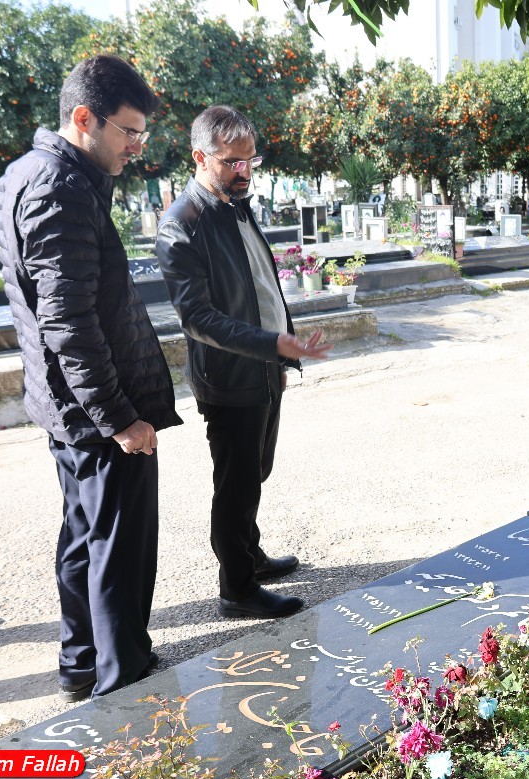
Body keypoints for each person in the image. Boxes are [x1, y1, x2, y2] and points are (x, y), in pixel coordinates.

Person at [0, 55, 182, 702]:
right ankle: (122, 684)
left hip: (67, 405)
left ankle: (81, 663)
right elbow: (67, 322)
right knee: (118, 551)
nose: (137, 147)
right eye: (129, 132)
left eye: (142, 134)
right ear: (84, 118)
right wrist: (120, 418)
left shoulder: (31, 171)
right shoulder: (60, 188)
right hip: (97, 409)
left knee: (85, 535)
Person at [156, 106, 331, 620]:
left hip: (262, 367)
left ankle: (249, 554)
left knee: (255, 471)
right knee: (234, 485)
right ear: (199, 157)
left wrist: (278, 358)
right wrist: (274, 345)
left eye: (251, 160)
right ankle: (236, 589)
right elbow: (197, 319)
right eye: (232, 161)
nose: (244, 171)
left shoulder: (235, 204)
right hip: (230, 377)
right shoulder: (181, 224)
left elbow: (260, 284)